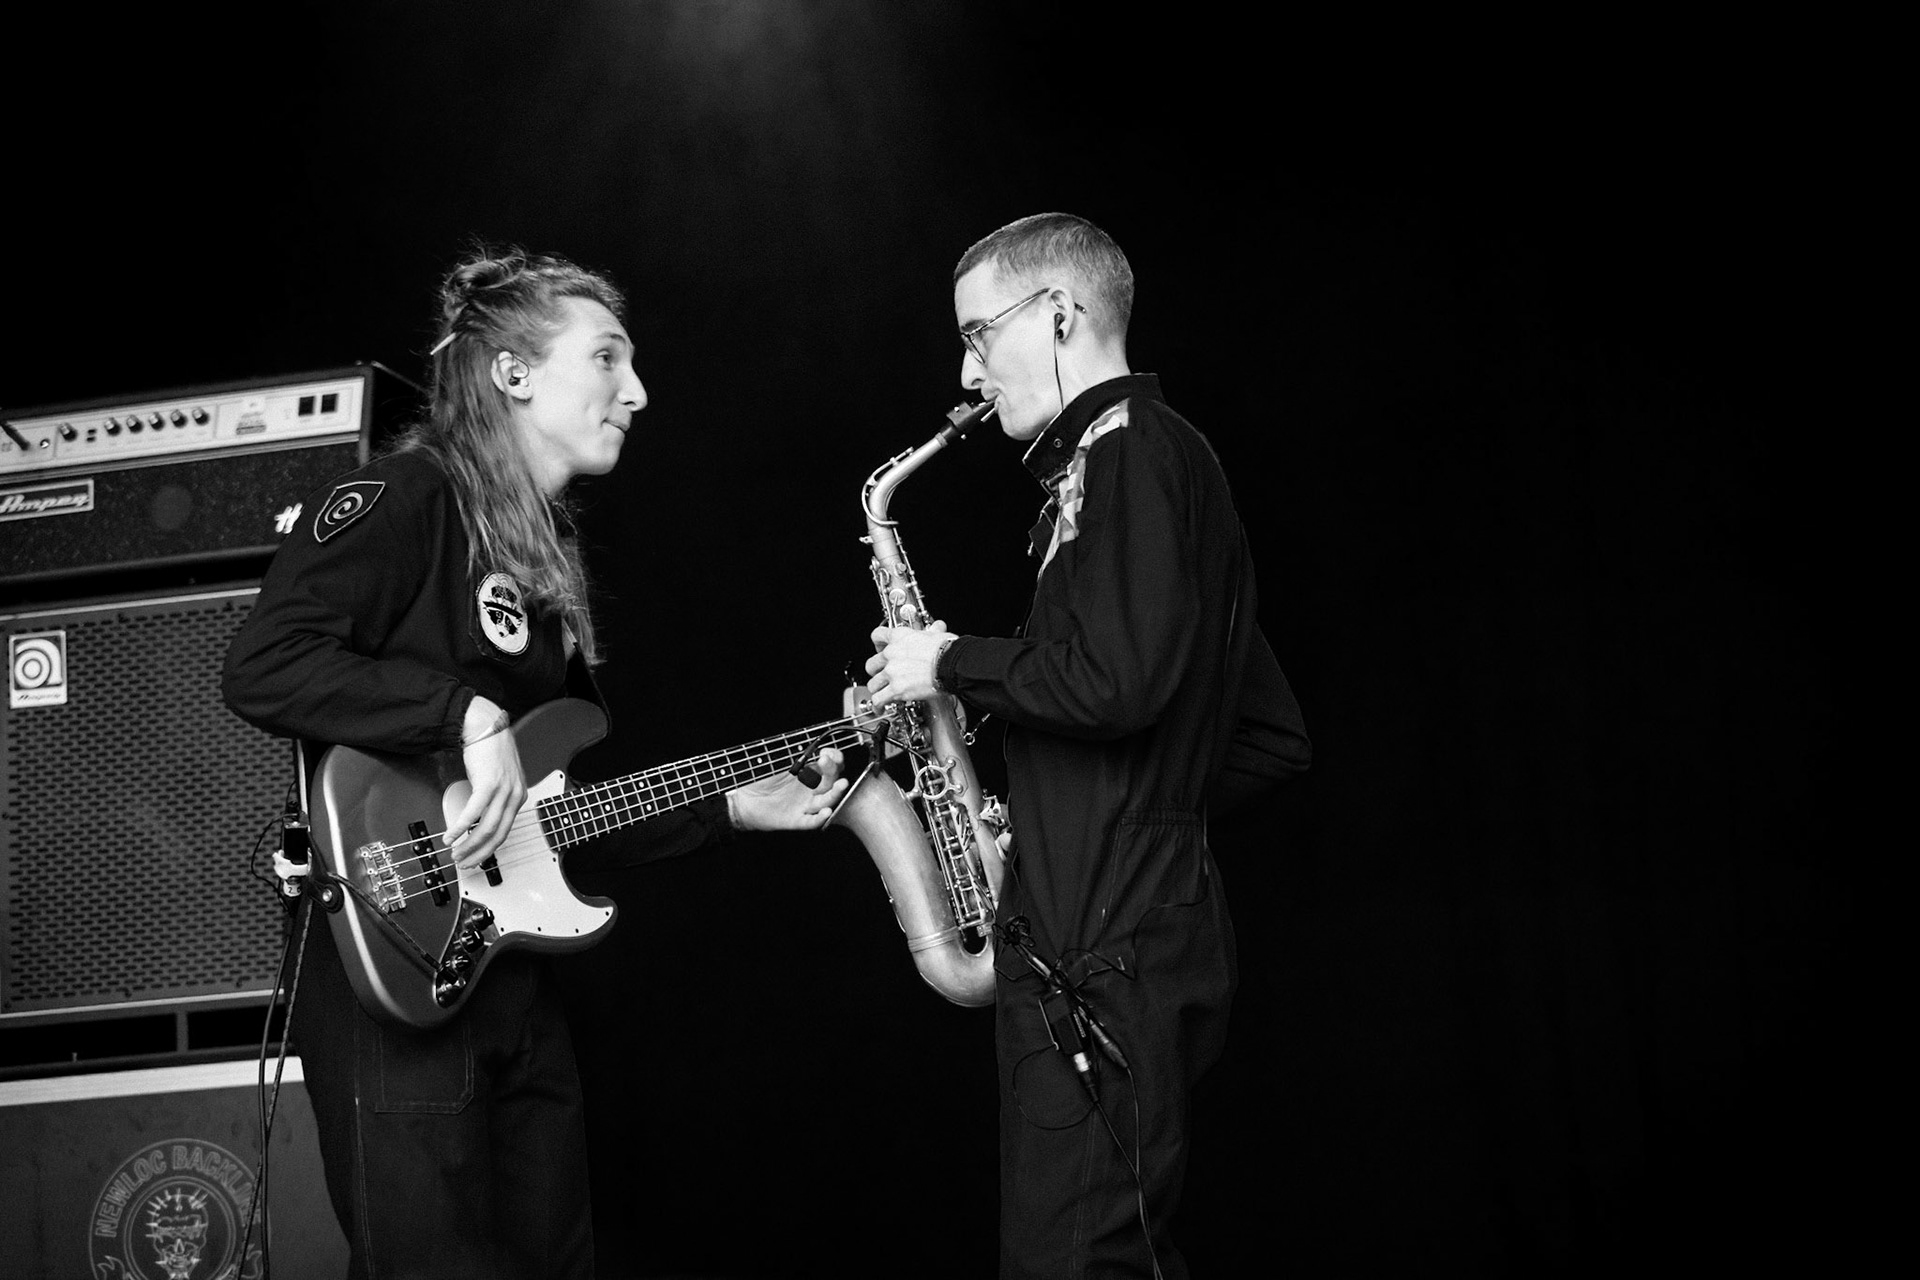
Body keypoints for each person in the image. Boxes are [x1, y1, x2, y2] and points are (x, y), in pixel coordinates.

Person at [222, 246, 846, 1280]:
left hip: (511, 983)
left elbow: (547, 818)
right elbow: (265, 665)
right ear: (512, 372)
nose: (637, 393)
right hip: (390, 955)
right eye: (608, 359)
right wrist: (458, 708)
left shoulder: (539, 573)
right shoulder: (406, 497)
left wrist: (732, 807)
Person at [865, 213, 1311, 1279]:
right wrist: (1092, 811)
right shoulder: (1153, 464)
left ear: (1059, 312)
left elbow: (1117, 682)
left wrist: (948, 663)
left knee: (1074, 1259)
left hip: (1095, 954)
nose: (965, 370)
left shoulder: (1130, 458)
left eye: (980, 335)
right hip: (1120, 938)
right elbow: (1269, 737)